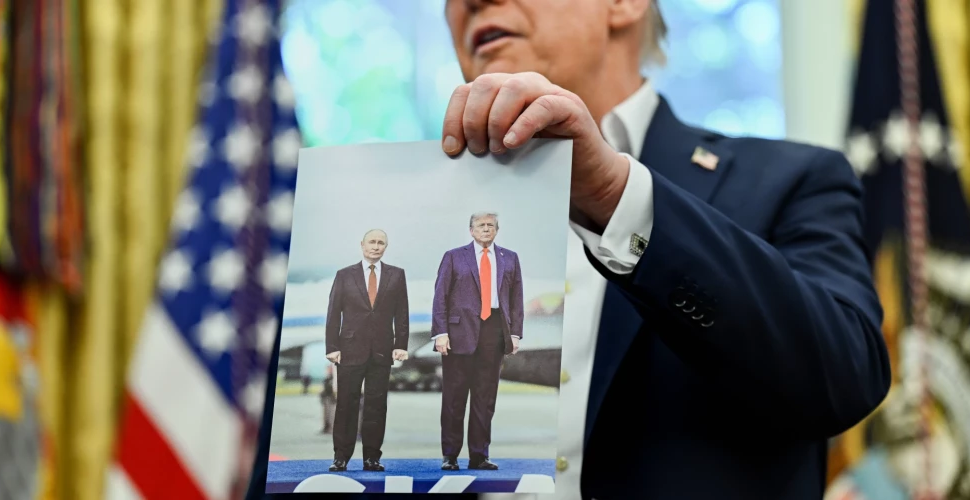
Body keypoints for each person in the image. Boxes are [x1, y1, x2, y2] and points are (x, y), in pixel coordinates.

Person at [437, 0, 891, 499]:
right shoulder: (423, 217)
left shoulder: (793, 181)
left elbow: (844, 378)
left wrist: (616, 198)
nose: (470, 3)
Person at [431, 212, 524, 471]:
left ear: (497, 230)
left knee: (485, 398)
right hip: (458, 334)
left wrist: (515, 333)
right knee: (454, 397)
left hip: (493, 332)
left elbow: (516, 299)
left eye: (490, 225)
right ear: (471, 230)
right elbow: (440, 296)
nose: (486, 229)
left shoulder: (510, 258)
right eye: (481, 225)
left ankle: (479, 455)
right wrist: (440, 333)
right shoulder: (453, 256)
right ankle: (450, 455)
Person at [325, 229, 410, 472]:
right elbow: (333, 314)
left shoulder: (397, 275)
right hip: (349, 349)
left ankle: (372, 457)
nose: (376, 246)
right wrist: (332, 347)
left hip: (382, 350)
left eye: (380, 243)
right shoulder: (344, 275)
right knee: (346, 404)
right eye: (372, 242)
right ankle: (341, 457)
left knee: (377, 404)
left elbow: (401, 313)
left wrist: (401, 344)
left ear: (386, 246)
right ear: (362, 245)